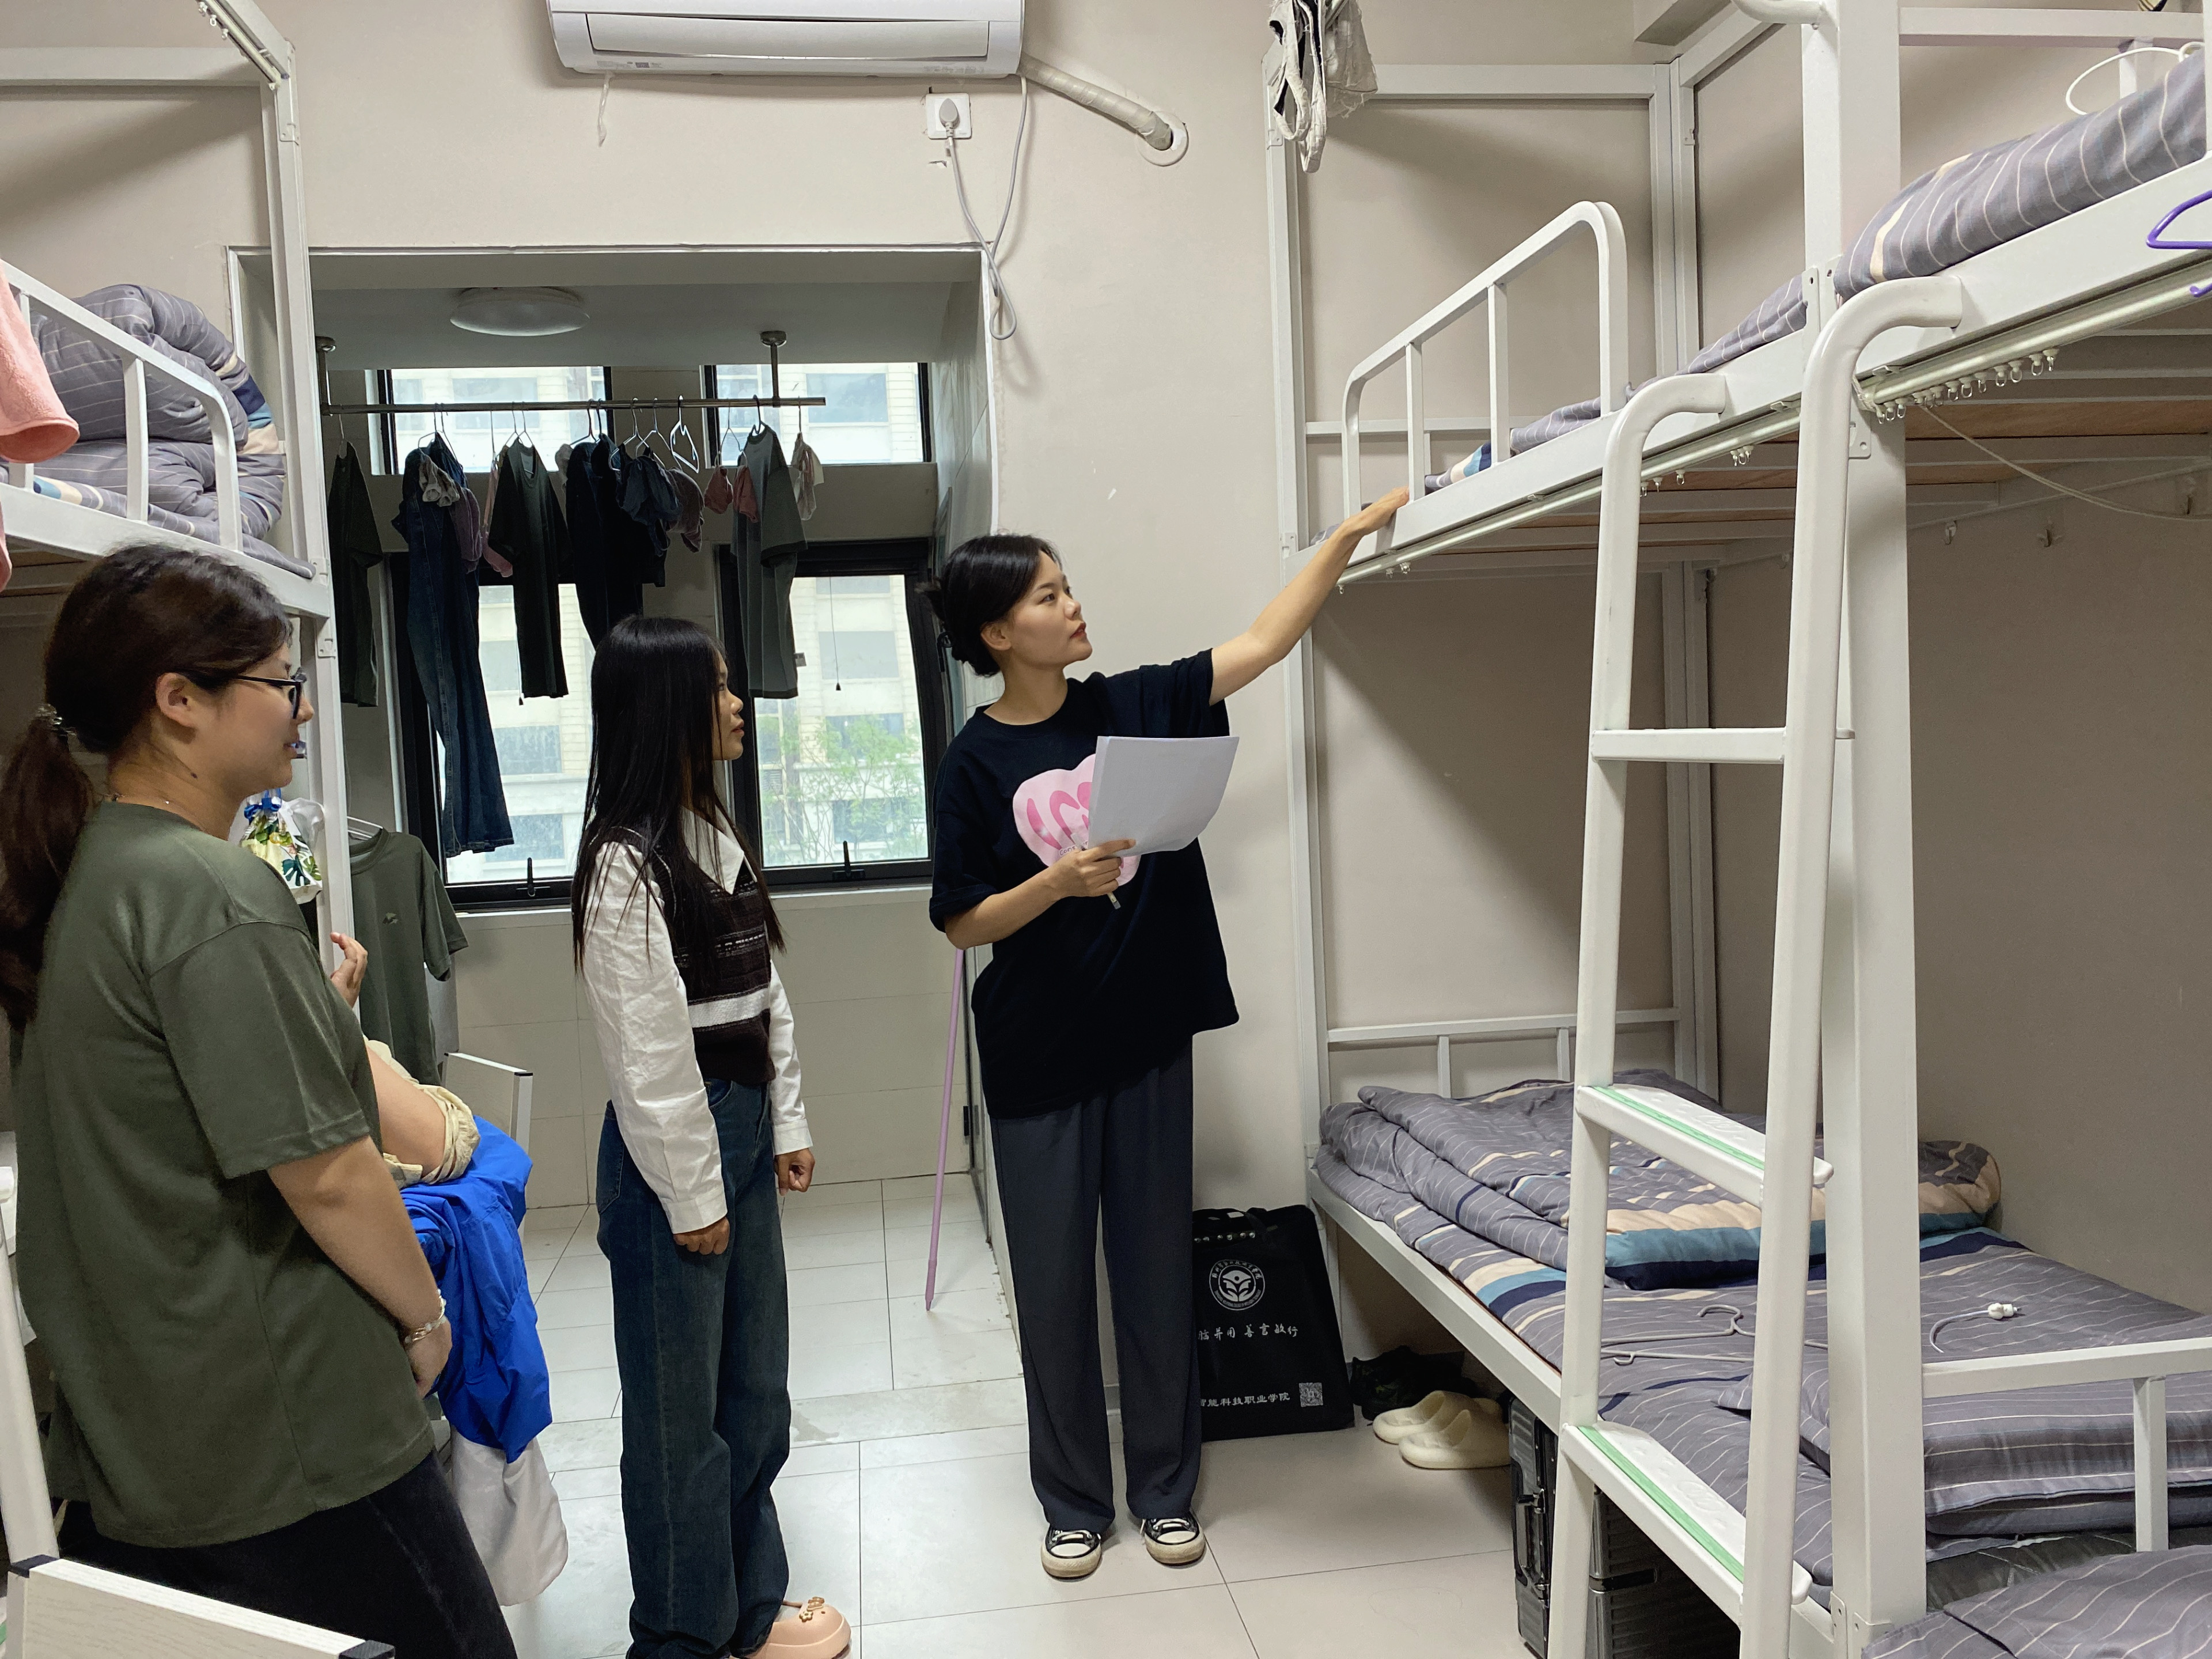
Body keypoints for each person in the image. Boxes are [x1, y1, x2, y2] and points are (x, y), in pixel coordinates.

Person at [0, 544, 514, 1657]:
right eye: (281, 683)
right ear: (178, 701)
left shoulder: (102, 872)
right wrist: (427, 1320)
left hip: (158, 1428)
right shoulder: (210, 889)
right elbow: (328, 1176)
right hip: (286, 1433)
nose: (303, 710)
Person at [925, 489, 1408, 1580]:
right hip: (1039, 1058)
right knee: (1054, 1294)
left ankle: (1164, 1490)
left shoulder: (1134, 706)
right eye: (1048, 596)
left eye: (1068, 587)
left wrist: (1341, 539)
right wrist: (1056, 884)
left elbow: (1263, 642)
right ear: (998, 632)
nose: (1073, 605)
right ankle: (1072, 1503)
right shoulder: (972, 765)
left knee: (1153, 1276)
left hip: (1147, 1040)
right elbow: (961, 921)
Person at [572, 615, 847, 1659]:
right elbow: (647, 1057)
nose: (738, 705)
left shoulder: (712, 832)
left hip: (739, 1126)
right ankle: (681, 1636)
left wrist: (788, 1122)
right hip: (672, 1154)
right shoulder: (623, 864)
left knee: (755, 1396)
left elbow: (766, 1000)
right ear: (667, 709)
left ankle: (746, 1608)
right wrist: (693, 1195)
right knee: (678, 1421)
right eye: (720, 688)